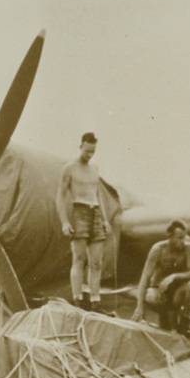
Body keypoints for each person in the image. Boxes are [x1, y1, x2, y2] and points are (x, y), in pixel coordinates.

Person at [57, 132, 111, 312]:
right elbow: (60, 196)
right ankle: (78, 300)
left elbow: (98, 195)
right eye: (87, 151)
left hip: (95, 212)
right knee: (79, 259)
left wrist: (104, 220)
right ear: (80, 146)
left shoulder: (95, 168)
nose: (89, 155)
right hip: (79, 211)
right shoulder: (69, 168)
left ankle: (95, 302)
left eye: (93, 152)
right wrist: (64, 222)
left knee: (96, 262)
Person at [131, 220, 190, 336]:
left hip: (178, 292)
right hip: (160, 292)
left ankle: (184, 322)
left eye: (184, 237)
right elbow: (145, 278)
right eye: (179, 238)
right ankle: (164, 317)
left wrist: (174, 276)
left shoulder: (188, 248)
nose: (183, 241)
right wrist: (140, 307)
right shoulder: (158, 249)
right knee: (152, 296)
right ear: (170, 236)